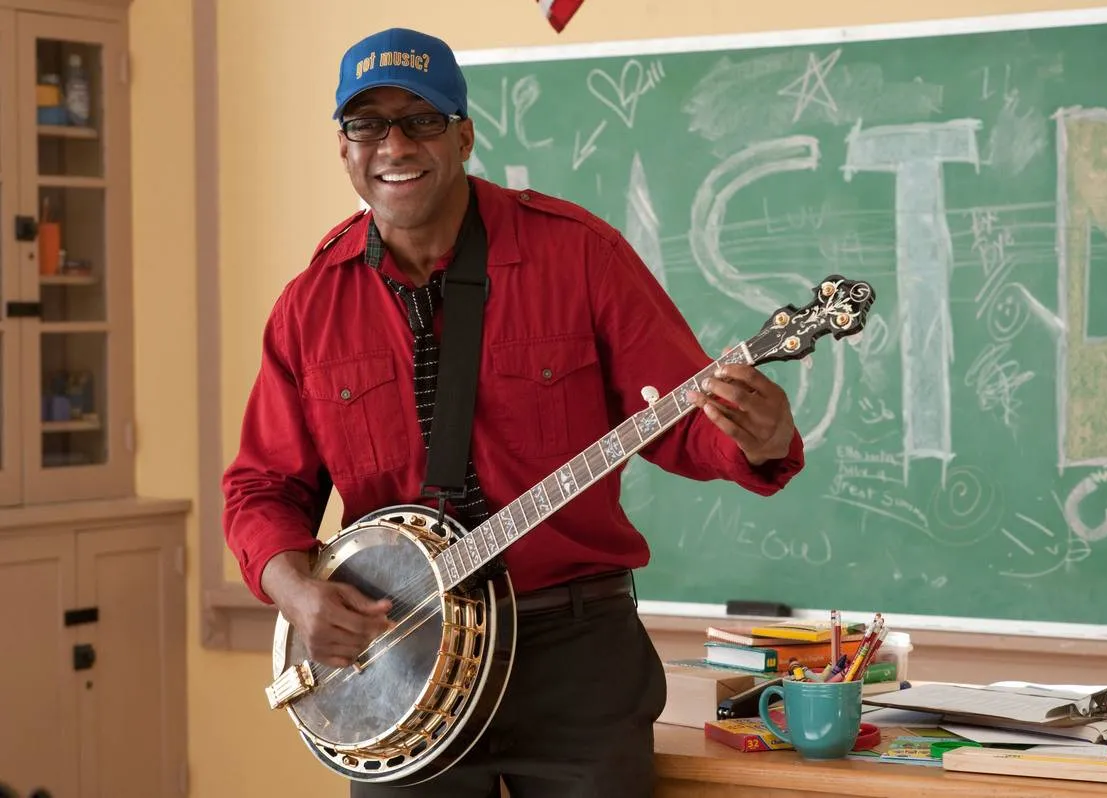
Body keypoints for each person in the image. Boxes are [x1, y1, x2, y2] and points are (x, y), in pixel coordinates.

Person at [222, 26, 806, 798]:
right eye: (368, 124)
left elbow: (680, 417)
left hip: (573, 663)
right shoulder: (310, 306)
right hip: (397, 668)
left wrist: (757, 439)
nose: (393, 143)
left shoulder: (579, 256)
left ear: (463, 134)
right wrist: (296, 592)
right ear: (344, 147)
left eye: (420, 119)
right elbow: (260, 489)